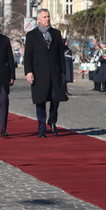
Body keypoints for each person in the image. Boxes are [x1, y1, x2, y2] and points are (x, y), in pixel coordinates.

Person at [24, 9, 69, 138]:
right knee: (41, 100)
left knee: (56, 98)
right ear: (38, 19)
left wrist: (62, 71)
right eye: (44, 17)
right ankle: (41, 127)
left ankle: (52, 120)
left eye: (48, 17)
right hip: (39, 73)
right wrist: (29, 72)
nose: (47, 19)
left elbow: (60, 54)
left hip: (54, 72)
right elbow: (28, 56)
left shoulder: (55, 33)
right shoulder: (32, 35)